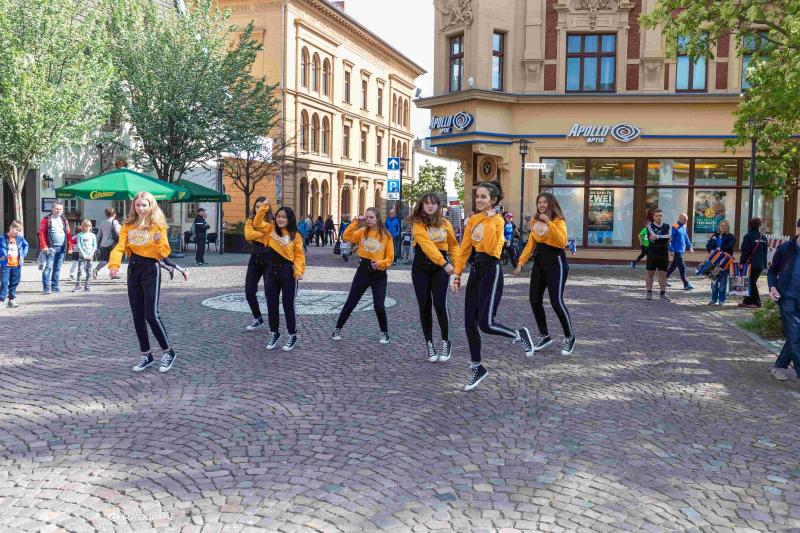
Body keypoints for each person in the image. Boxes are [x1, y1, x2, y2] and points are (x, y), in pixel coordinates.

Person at [452, 182, 534, 391]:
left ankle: (518, 334)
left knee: (486, 324)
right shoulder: (472, 220)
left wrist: (488, 219)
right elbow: (464, 249)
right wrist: (457, 275)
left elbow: (490, 247)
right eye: (477, 196)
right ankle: (477, 367)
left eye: (484, 197)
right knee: (469, 323)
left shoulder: (498, 221)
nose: (479, 200)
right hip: (476, 272)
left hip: (491, 270)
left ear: (493, 200)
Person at [109, 191, 176, 373]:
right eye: (138, 205)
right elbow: (120, 247)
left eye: (144, 205)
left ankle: (168, 352)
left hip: (150, 269)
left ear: (151, 205)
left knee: (151, 315)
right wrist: (114, 265)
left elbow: (164, 253)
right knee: (137, 315)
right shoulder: (128, 225)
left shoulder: (157, 225)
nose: (140, 208)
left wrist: (158, 242)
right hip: (134, 269)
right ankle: (146, 354)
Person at [514, 192, 575, 355]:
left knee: (556, 301)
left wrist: (549, 222)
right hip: (540, 262)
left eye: (544, 202)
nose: (541, 205)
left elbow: (561, 241)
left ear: (551, 204)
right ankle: (544, 335)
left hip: (556, 262)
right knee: (534, 299)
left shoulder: (558, 221)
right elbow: (531, 243)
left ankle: (569, 337)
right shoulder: (535, 221)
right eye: (539, 202)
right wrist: (520, 263)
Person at [409, 193, 459, 362]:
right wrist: (444, 263)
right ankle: (429, 343)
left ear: (438, 206)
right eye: (427, 203)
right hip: (421, 267)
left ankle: (446, 341)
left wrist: (457, 265)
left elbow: (453, 245)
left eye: (433, 203)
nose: (430, 206)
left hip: (440, 269)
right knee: (424, 305)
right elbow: (426, 245)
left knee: (440, 304)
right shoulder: (418, 224)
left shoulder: (445, 223)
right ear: (422, 205)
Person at [332, 207, 394, 343]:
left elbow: (390, 258)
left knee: (379, 305)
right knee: (351, 302)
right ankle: (337, 328)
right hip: (363, 271)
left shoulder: (386, 235)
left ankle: (384, 333)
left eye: (371, 217)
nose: (368, 220)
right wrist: (356, 222)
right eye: (366, 217)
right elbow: (346, 236)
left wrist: (381, 263)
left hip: (379, 273)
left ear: (377, 218)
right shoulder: (362, 232)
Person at [253, 201, 306, 351]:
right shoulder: (270, 229)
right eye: (278, 216)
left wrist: (299, 271)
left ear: (290, 219)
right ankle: (274, 332)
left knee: (288, 305)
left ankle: (292, 335)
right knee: (271, 304)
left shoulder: (295, 236)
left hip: (288, 273)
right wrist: (264, 207)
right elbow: (257, 223)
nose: (280, 219)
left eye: (284, 217)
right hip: (271, 272)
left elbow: (299, 255)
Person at [767, 218, 800, 382]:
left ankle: (779, 366)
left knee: (796, 335)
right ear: (798, 230)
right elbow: (772, 271)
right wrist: (772, 287)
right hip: (787, 297)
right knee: (795, 334)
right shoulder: (785, 248)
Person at [243, 197, 272, 331]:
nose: (259, 209)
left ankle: (273, 324)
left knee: (270, 293)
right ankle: (258, 318)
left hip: (269, 259)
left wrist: (259, 234)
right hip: (255, 259)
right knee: (249, 291)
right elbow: (248, 235)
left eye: (261, 206)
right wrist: (263, 234)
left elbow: (270, 236)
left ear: (267, 208)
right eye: (256, 207)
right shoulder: (250, 221)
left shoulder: (272, 222)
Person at [38, 202, 73, 294]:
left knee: (57, 268)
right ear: (52, 209)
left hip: (62, 248)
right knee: (48, 267)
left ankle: (55, 286)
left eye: (60, 209)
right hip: (51, 248)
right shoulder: (46, 219)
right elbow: (41, 234)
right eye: (57, 209)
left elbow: (68, 234)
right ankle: (46, 288)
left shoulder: (64, 220)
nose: (58, 211)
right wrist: (44, 246)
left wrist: (70, 246)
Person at [739, 217, 768, 308]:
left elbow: (745, 251)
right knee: (750, 282)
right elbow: (765, 252)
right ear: (759, 225)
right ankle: (747, 301)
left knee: (750, 282)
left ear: (750, 225)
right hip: (760, 264)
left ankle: (756, 302)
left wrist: (742, 262)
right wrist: (764, 263)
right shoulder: (763, 237)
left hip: (750, 264)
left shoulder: (748, 236)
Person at [706, 220, 736, 306]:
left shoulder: (731, 237)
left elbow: (729, 247)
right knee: (714, 283)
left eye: (724, 225)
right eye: (721, 225)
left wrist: (718, 250)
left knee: (723, 283)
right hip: (714, 262)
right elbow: (708, 245)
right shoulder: (715, 236)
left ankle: (722, 300)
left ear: (727, 227)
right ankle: (714, 299)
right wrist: (711, 250)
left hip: (724, 263)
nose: (722, 227)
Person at [645, 208, 672, 301]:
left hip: (664, 253)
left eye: (660, 216)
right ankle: (649, 292)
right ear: (653, 217)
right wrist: (662, 238)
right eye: (657, 216)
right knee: (650, 273)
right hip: (652, 253)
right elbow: (652, 237)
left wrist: (657, 236)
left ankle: (662, 294)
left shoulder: (667, 226)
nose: (659, 217)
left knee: (663, 274)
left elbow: (669, 236)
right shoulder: (649, 226)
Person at [0, 220, 28, 308]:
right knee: (4, 282)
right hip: (5, 264)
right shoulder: (2, 238)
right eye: (16, 230)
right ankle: (1, 300)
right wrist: (1, 256)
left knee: (15, 281)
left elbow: (25, 246)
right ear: (11, 228)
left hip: (16, 264)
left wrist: (22, 255)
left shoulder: (20, 239)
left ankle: (11, 299)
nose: (17, 232)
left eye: (19, 231)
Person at [666, 213, 695, 290]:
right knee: (682, 267)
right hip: (676, 251)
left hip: (681, 251)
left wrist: (690, 247)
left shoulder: (684, 227)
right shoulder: (675, 227)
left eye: (687, 220)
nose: (686, 221)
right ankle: (686, 284)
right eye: (685, 219)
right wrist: (671, 249)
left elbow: (686, 238)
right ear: (680, 219)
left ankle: (664, 279)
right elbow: (670, 239)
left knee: (673, 266)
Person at [94, 208, 121, 279]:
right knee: (114, 259)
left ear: (106, 214)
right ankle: (113, 274)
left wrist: (96, 244)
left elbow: (99, 235)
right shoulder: (114, 222)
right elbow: (117, 232)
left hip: (103, 244)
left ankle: (96, 269)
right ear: (114, 214)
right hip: (112, 244)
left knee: (105, 260)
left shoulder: (102, 222)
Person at [72, 219, 97, 292]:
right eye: (85, 226)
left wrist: (91, 254)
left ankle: (87, 286)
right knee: (80, 270)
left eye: (88, 226)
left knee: (88, 270)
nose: (87, 227)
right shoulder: (80, 235)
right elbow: (79, 245)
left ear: (91, 227)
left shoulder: (93, 235)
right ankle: (78, 285)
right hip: (82, 255)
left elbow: (94, 246)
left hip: (90, 255)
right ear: (83, 227)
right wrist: (83, 254)